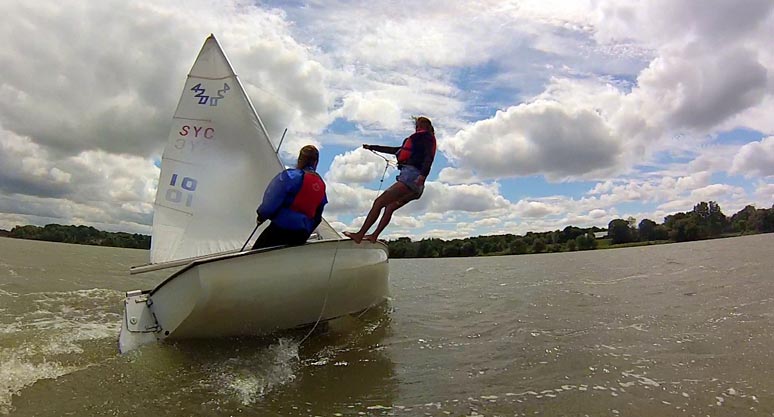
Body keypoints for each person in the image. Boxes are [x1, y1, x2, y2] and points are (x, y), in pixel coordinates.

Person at [344, 116, 436, 243]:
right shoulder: (418, 141)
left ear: (424, 127)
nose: (417, 127)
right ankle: (374, 235)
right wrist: (372, 147)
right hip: (417, 187)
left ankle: (360, 234)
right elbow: (394, 150)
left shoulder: (426, 138)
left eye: (418, 125)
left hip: (411, 178)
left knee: (379, 202)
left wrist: (422, 175)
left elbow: (429, 157)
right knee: (389, 207)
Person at [252, 145, 327, 250]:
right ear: (316, 163)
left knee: (256, 256)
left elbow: (273, 198)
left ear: (300, 160)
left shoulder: (290, 176)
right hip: (300, 235)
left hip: (280, 229)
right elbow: (317, 217)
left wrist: (261, 216)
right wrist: (306, 233)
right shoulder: (321, 185)